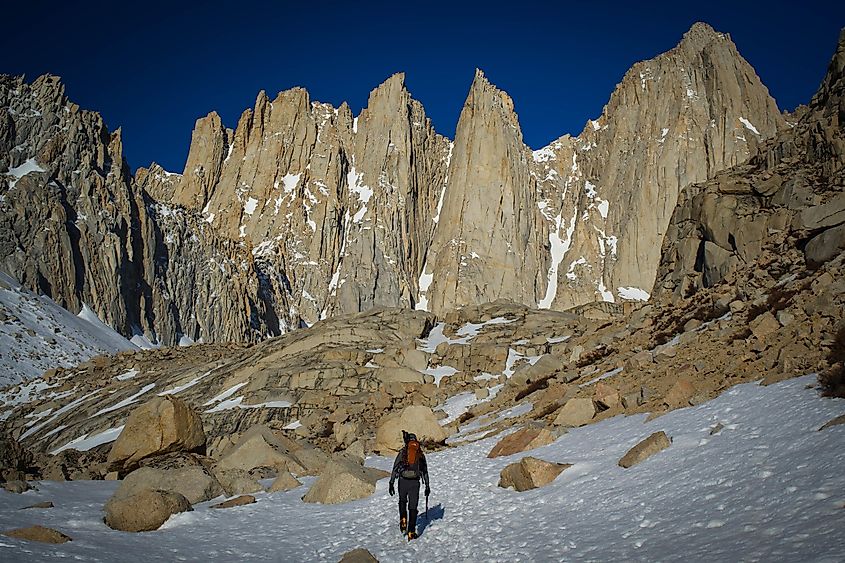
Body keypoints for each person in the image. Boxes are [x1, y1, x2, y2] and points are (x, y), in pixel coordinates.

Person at [388, 430, 430, 540]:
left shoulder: (403, 452)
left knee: (402, 500)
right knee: (413, 506)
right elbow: (424, 471)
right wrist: (427, 486)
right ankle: (411, 531)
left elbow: (395, 467)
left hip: (403, 481)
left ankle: (403, 518)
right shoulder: (419, 453)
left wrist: (391, 482)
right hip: (415, 482)